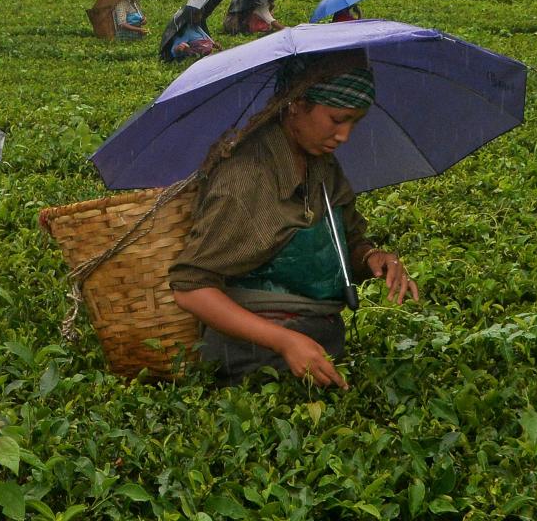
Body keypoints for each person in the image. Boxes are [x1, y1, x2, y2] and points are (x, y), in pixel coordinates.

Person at [168, 50, 419, 389]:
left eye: (354, 123)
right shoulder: (246, 177)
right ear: (297, 104)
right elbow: (190, 287)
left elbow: (349, 239)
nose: (344, 136)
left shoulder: (322, 165)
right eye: (336, 119)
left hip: (318, 345)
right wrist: (284, 341)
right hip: (252, 360)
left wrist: (373, 258)